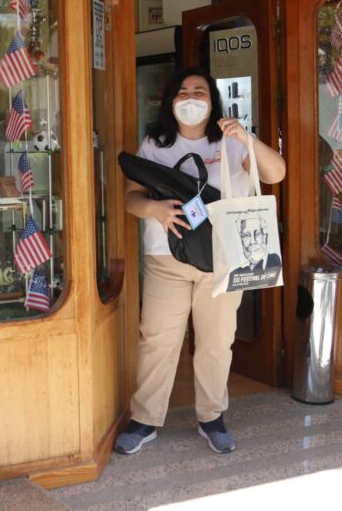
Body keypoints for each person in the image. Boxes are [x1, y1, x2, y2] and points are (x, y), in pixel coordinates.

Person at [115, 67, 285, 455]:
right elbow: (130, 198)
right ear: (171, 100)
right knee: (157, 340)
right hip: (166, 257)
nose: (190, 98)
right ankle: (145, 419)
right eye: (182, 91)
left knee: (216, 342)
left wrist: (248, 137)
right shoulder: (155, 144)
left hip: (225, 259)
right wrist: (154, 209)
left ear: (212, 102)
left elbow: (276, 174)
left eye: (200, 92)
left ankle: (212, 417)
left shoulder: (232, 143)